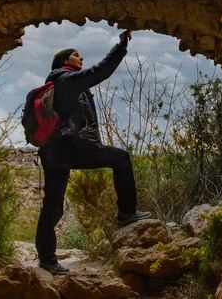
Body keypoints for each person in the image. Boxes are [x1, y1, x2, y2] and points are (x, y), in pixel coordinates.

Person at [35, 29, 151, 275]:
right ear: (65, 61)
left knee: (53, 206)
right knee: (121, 158)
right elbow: (100, 71)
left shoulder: (60, 84)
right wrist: (120, 47)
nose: (82, 59)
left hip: (54, 151)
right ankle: (127, 213)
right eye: (77, 55)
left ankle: (47, 261)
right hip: (71, 147)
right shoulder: (65, 80)